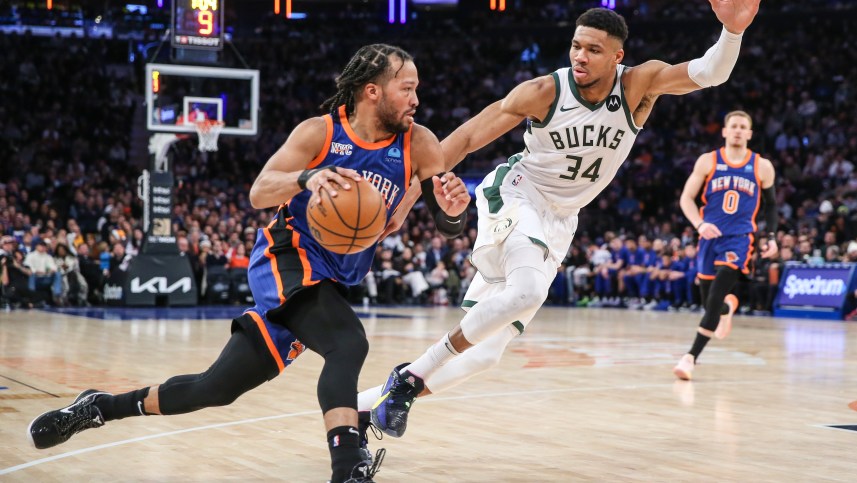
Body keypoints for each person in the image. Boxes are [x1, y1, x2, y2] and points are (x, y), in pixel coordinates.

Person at [27, 43, 471, 483]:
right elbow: (260, 192)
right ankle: (348, 467)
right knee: (348, 343)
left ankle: (99, 406)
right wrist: (308, 176)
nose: (416, 99)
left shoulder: (419, 143)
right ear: (372, 91)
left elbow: (447, 222)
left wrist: (453, 210)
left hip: (331, 281)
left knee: (214, 388)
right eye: (406, 88)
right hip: (286, 257)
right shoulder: (320, 133)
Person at [359, 2, 764, 439]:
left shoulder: (637, 85)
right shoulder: (542, 91)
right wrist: (406, 199)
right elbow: (467, 139)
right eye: (575, 45)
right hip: (517, 194)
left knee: (484, 355)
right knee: (528, 289)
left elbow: (709, 72)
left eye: (593, 49)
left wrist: (732, 33)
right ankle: (410, 378)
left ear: (617, 57)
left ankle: (359, 408)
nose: (580, 56)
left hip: (561, 221)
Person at [672, 110, 777, 380]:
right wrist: (699, 225)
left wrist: (772, 237)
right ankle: (727, 307)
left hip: (740, 239)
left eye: (744, 127)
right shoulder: (708, 161)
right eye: (734, 126)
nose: (739, 130)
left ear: (750, 134)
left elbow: (772, 207)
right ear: (725, 131)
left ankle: (690, 357)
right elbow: (686, 198)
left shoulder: (761, 166)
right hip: (709, 237)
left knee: (716, 293)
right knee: (710, 304)